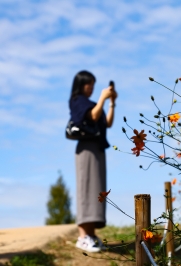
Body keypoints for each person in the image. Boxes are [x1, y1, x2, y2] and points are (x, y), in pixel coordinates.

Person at [68, 70, 117, 252]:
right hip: (86, 149)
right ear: (81, 85)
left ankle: (91, 235)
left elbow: (107, 122)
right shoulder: (77, 101)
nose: (92, 89)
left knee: (96, 190)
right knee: (86, 189)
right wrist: (103, 98)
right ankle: (82, 237)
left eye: (93, 86)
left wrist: (112, 102)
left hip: (97, 149)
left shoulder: (92, 103)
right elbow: (93, 116)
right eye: (89, 85)